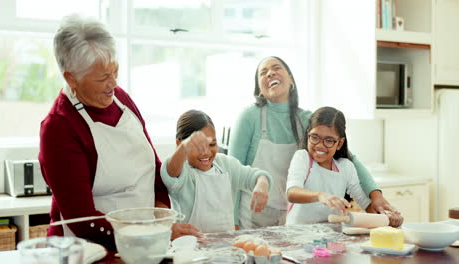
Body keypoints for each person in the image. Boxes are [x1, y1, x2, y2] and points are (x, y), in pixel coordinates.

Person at [38, 14, 200, 250]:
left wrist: (163, 219)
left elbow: (151, 169)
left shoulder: (121, 100)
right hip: (87, 250)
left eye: (115, 71)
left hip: (145, 245)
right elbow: (83, 220)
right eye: (103, 77)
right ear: (71, 78)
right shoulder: (59, 128)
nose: (113, 83)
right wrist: (153, 232)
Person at [229, 56, 403, 229]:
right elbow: (233, 171)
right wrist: (233, 220)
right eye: (263, 72)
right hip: (253, 213)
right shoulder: (249, 116)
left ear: (291, 79)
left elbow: (351, 160)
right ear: (259, 89)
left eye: (276, 68)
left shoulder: (306, 119)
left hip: (289, 214)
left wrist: (376, 195)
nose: (270, 73)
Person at [286, 107, 403, 226]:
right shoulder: (302, 157)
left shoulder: (346, 167)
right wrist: (320, 195)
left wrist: (387, 216)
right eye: (315, 137)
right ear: (308, 134)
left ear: (340, 143)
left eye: (329, 140)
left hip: (331, 236)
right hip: (298, 233)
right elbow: (292, 192)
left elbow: (365, 204)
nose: (320, 145)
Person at [160, 110, 272, 233]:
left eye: (212, 144)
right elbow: (170, 172)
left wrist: (262, 184)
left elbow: (255, 176)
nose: (206, 152)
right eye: (198, 147)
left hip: (224, 246)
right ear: (179, 144)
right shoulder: (183, 172)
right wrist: (184, 147)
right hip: (190, 247)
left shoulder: (226, 165)